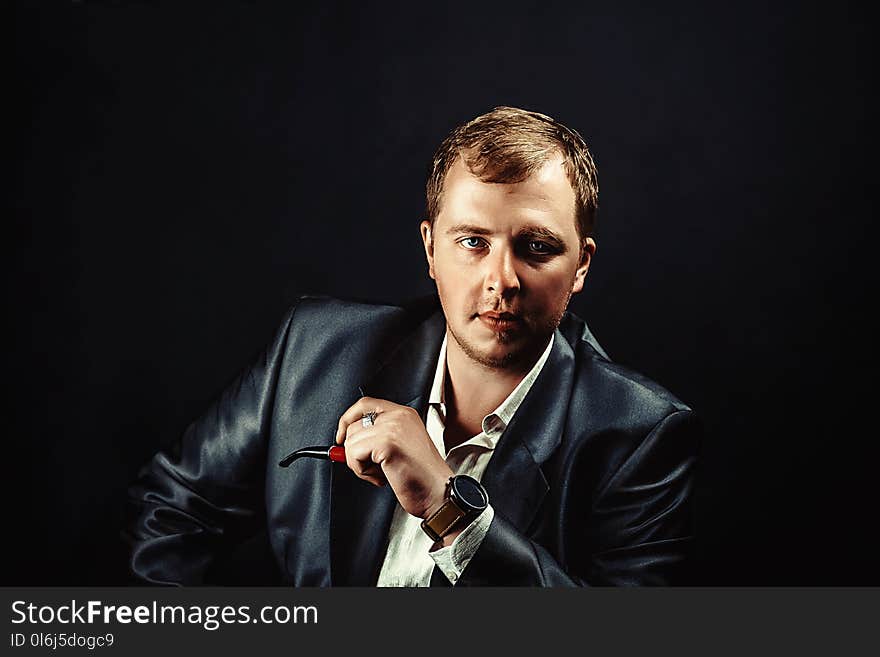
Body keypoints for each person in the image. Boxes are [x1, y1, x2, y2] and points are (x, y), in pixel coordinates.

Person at [125, 106, 699, 586]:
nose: (502, 280)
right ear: (430, 250)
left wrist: (453, 514)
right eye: (473, 242)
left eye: (537, 247)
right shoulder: (313, 351)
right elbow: (174, 508)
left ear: (581, 266)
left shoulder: (641, 435)